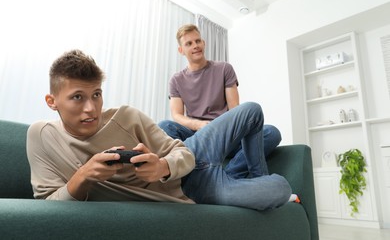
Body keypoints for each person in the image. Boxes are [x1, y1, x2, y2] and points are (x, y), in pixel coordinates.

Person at [26, 49, 292, 211]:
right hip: (195, 190)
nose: (91, 108)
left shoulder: (126, 116)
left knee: (252, 109)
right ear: (52, 102)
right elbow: (49, 205)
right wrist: (83, 176)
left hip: (193, 154)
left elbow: (181, 152)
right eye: (77, 97)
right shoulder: (41, 136)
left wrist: (162, 167)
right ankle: (235, 178)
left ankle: (245, 175)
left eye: (96, 94)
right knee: (279, 189)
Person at [159, 24, 282, 179]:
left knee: (271, 133)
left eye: (198, 41)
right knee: (164, 126)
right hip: (198, 136)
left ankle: (230, 173)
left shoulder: (224, 68)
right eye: (189, 43)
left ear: (204, 43)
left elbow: (235, 110)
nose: (195, 46)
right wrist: (199, 125)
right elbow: (177, 115)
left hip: (227, 135)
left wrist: (219, 128)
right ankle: (189, 174)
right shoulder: (176, 80)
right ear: (181, 50)